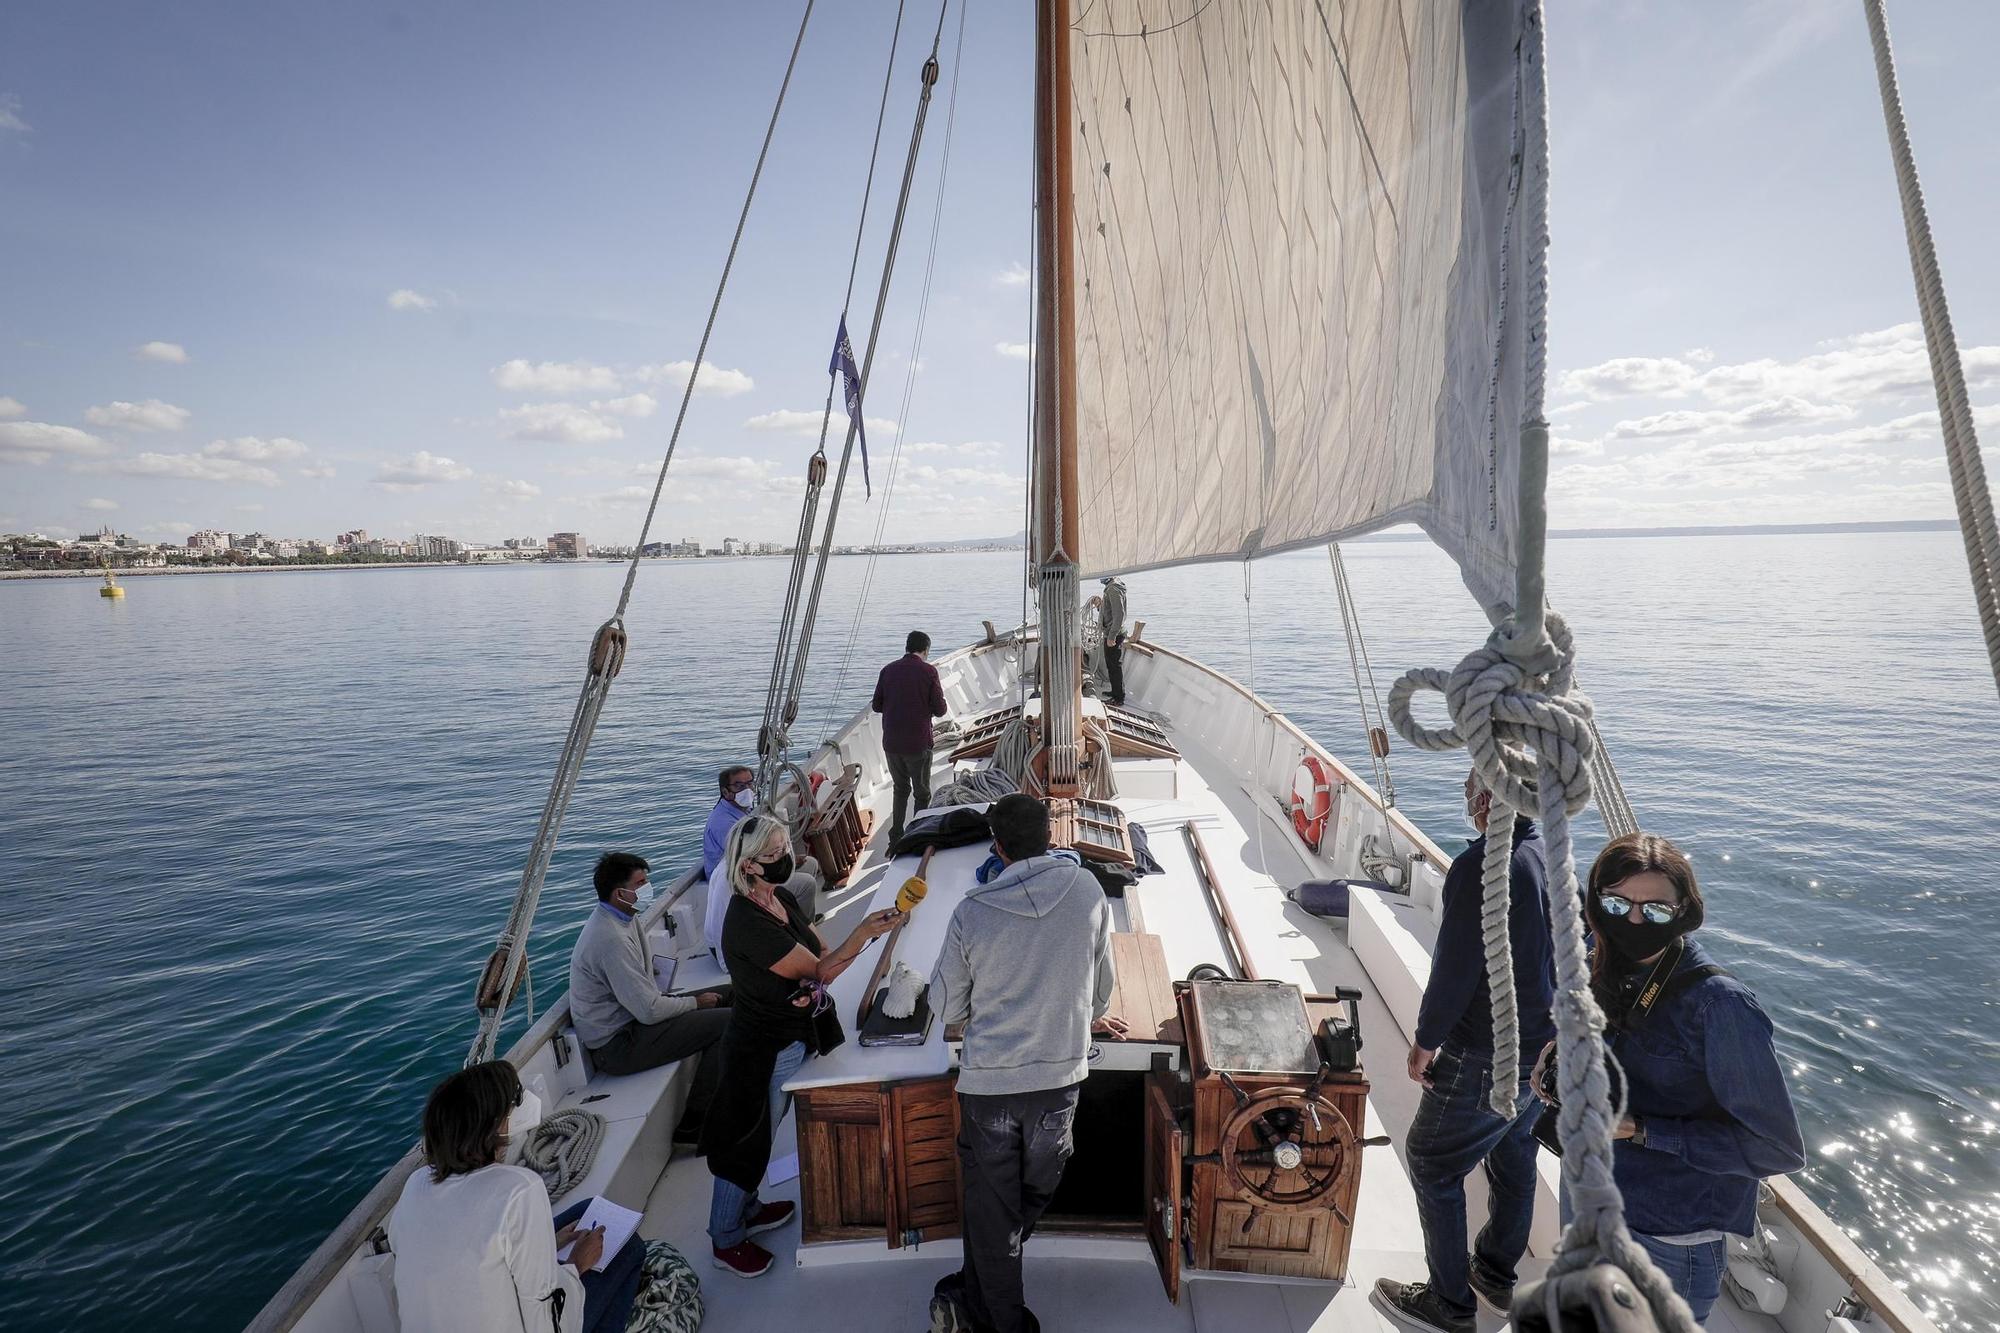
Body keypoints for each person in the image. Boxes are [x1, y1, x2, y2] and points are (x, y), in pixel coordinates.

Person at [1538, 832, 1805, 1326]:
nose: (1635, 920)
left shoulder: (1720, 1006)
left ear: (1685, 910)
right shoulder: (1602, 959)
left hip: (1662, 1238)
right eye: (1617, 903)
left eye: (1656, 909)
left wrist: (1639, 1129)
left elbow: (1778, 1149)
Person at [927, 793, 1124, 1333]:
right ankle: (999, 1305)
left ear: (998, 847)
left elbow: (947, 1008)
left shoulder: (972, 911)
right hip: (1059, 1082)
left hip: (989, 1090)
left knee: (994, 1214)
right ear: (1051, 839)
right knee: (1032, 1192)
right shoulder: (1087, 890)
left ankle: (992, 1304)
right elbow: (1103, 993)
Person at [1373, 769, 1555, 1333]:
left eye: (1469, 791)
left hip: (1488, 1053)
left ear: (1482, 802)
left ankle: (1449, 1306)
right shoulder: (1549, 856)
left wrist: (1425, 1042)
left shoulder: (1480, 867)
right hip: (1542, 1054)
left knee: (1431, 1163)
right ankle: (1496, 1272)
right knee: (1514, 1151)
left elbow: (1455, 970)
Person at [701, 814, 902, 1278]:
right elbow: (821, 971)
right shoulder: (746, 923)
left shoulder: (783, 899)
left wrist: (855, 940)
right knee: (746, 1143)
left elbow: (819, 954)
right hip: (760, 1047)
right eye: (772, 855)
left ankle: (747, 1209)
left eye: (783, 847)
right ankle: (724, 1238)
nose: (785, 858)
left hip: (791, 1036)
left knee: (764, 1134)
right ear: (748, 866)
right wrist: (867, 931)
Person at [388, 1060, 644, 1333]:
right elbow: (545, 1324)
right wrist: (575, 1265)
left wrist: (549, 1244)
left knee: (587, 1210)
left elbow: (463, 1261)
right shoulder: (520, 1189)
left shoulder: (415, 1185)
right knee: (630, 1248)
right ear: (496, 1126)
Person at [569, 852, 729, 1139]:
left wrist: (693, 1002)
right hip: (618, 1045)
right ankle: (695, 1125)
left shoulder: (624, 917)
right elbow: (649, 1011)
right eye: (641, 883)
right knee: (726, 1022)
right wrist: (694, 1003)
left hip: (635, 1017)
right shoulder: (610, 939)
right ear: (620, 893)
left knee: (730, 994)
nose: (648, 887)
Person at [700, 766, 820, 957]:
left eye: (750, 783)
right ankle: (799, 936)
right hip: (742, 881)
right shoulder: (726, 824)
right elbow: (745, 860)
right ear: (725, 792)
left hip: (752, 871)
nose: (747, 789)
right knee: (807, 884)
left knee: (810, 864)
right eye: (739, 785)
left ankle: (798, 923)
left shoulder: (739, 812)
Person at [873, 629, 948, 845]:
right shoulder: (928, 672)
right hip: (918, 744)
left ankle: (895, 836)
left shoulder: (887, 670)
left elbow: (877, 705)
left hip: (892, 744)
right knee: (922, 793)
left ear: (907, 647)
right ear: (925, 650)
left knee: (900, 789)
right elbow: (940, 709)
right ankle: (917, 835)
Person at [1098, 575, 1128, 706]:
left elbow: (1119, 614)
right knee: (1111, 665)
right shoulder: (1113, 586)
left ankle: (1118, 698)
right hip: (1112, 632)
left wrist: (1112, 636)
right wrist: (1100, 605)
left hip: (1113, 634)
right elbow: (1110, 611)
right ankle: (1115, 692)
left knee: (1114, 666)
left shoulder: (1113, 589)